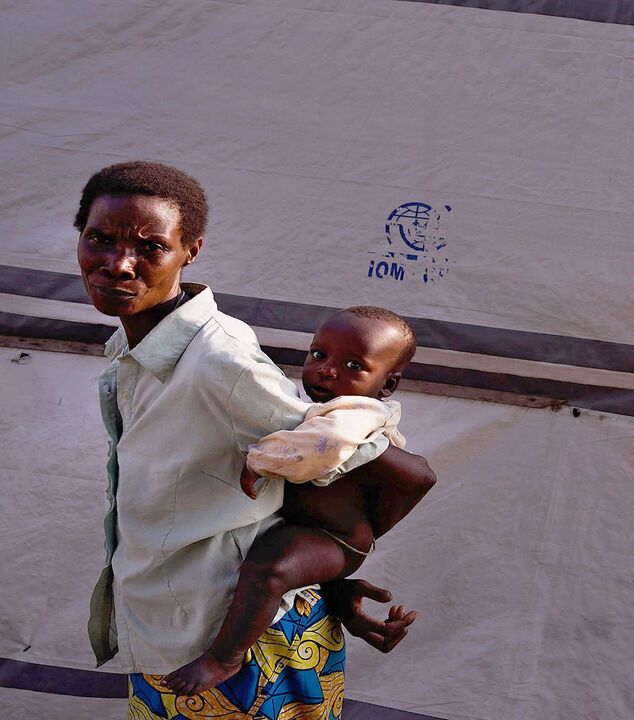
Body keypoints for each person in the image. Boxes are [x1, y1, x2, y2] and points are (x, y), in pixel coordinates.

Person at [77, 160, 435, 719]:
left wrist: (346, 555)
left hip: (243, 647)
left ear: (189, 251)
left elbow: (371, 458)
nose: (119, 264)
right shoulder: (131, 351)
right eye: (99, 238)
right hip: (173, 632)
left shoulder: (219, 359)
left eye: (151, 248)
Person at [162, 306, 431, 696]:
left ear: (387, 386)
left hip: (333, 539)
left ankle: (224, 657)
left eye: (353, 364)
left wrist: (261, 462)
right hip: (313, 529)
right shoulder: (317, 409)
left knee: (270, 568)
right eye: (319, 355)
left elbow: (326, 446)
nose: (327, 370)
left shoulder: (357, 414)